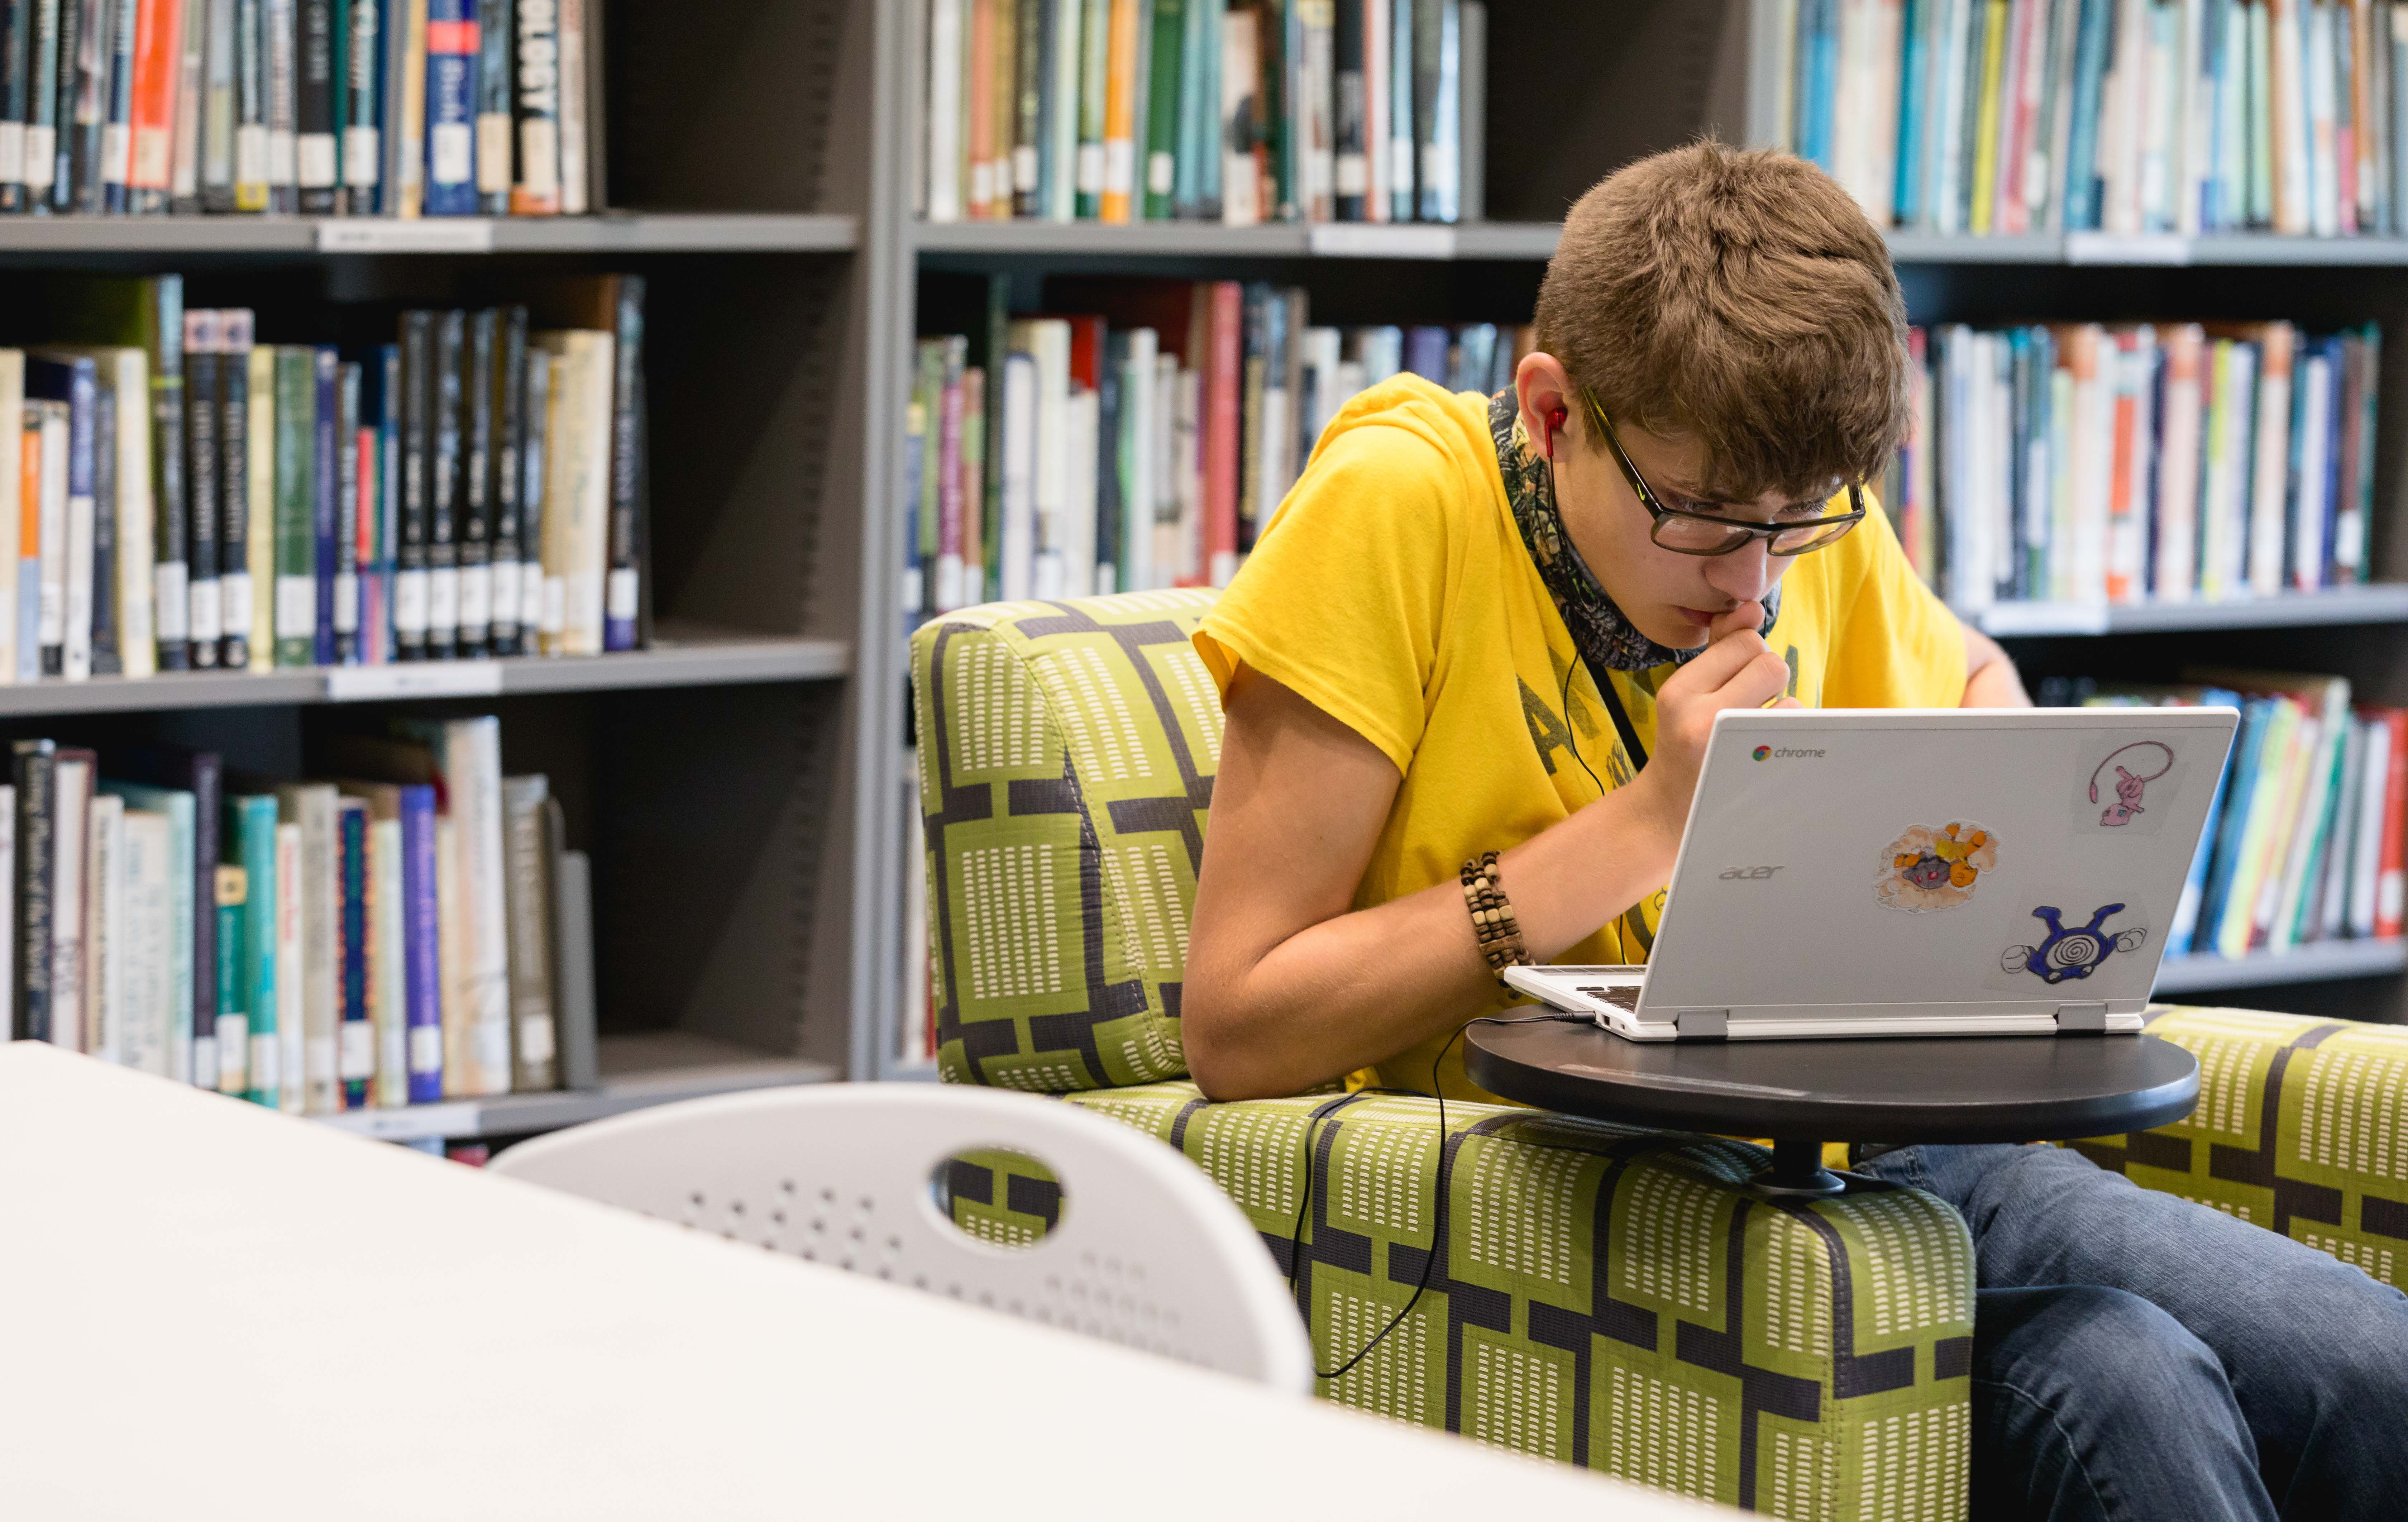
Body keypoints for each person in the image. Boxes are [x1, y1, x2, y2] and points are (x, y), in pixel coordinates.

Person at [1179, 140, 2408, 1521]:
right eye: (1704, 524)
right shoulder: (1402, 505)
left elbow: (1968, 676)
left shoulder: (1795, 501)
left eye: (1795, 529)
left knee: (2373, 1363)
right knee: (2121, 1380)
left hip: (1887, 1141)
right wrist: (1649, 822)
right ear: (1553, 411)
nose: (1753, 584)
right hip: (1580, 1176)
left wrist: (2033, 830)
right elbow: (1239, 1023)